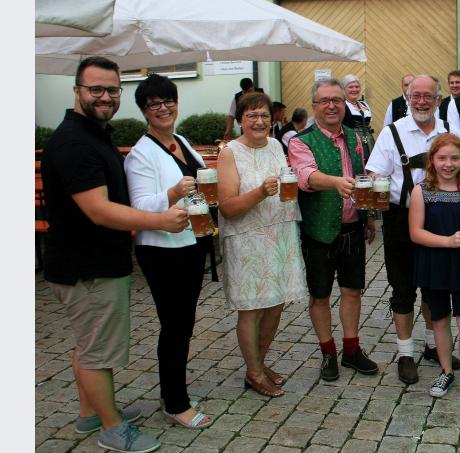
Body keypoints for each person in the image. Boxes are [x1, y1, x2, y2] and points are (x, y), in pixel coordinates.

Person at [41, 56, 188, 453]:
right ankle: (111, 428)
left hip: (89, 262)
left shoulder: (91, 132)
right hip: (86, 266)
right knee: (96, 351)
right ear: (78, 91)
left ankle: (91, 413)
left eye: (111, 89)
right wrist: (159, 220)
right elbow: (98, 210)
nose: (105, 96)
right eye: (96, 89)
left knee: (89, 343)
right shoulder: (74, 142)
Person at [124, 73, 214, 429]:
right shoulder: (139, 155)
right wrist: (174, 192)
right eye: (154, 104)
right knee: (174, 326)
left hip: (191, 243)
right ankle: (176, 403)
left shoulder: (181, 140)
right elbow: (142, 205)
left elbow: (201, 179)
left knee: (184, 323)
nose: (163, 108)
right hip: (163, 250)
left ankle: (171, 393)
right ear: (144, 111)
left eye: (168, 101)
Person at [365, 74, 460, 385]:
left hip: (440, 217)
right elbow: (374, 173)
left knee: (436, 288)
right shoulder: (392, 133)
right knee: (403, 289)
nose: (421, 101)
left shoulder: (449, 132)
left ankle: (434, 346)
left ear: (438, 99)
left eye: (427, 96)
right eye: (415, 95)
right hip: (400, 219)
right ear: (407, 98)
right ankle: (406, 353)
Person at [218, 92, 308, 397]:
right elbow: (227, 207)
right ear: (241, 120)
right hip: (247, 240)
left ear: (273, 119)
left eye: (265, 116)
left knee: (276, 302)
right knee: (252, 308)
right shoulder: (229, 152)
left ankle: (257, 362)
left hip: (279, 235)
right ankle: (254, 373)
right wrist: (259, 192)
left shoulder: (274, 145)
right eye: (252, 116)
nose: (259, 121)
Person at [288, 77, 378, 381]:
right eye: (325, 100)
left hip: (353, 227)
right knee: (320, 295)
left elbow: (366, 176)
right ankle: (328, 353)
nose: (331, 106)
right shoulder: (301, 140)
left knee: (352, 291)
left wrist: (369, 216)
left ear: (345, 104)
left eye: (337, 100)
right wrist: (336, 182)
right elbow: (305, 176)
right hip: (318, 229)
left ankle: (351, 350)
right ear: (314, 105)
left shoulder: (357, 136)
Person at [409, 133, 460, 408]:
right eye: (442, 157)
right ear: (432, 160)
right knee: (440, 320)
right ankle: (446, 372)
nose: (448, 164)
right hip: (434, 262)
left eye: (454, 158)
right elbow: (415, 233)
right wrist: (447, 241)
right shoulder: (421, 191)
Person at [342, 74, 375, 154]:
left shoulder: (364, 104)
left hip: (369, 142)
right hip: (351, 142)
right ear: (344, 89)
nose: (354, 89)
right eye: (351, 87)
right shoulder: (342, 105)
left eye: (357, 87)